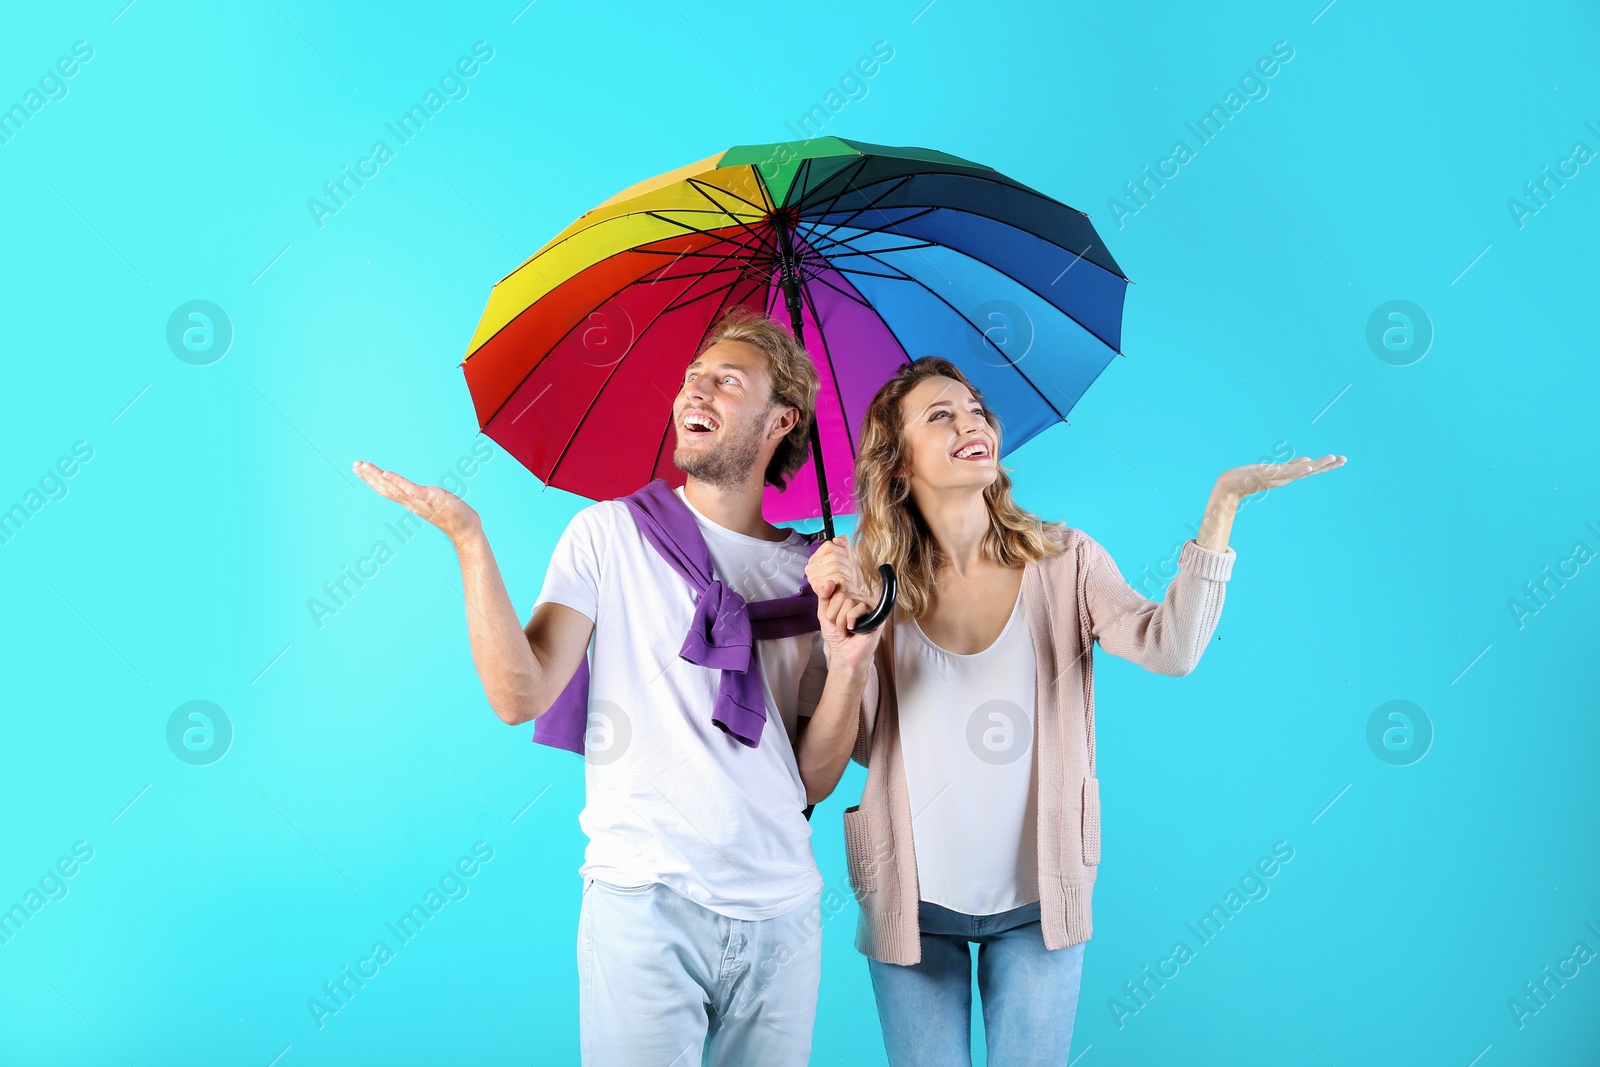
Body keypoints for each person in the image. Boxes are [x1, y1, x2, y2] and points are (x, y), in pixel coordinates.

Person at [353, 306, 878, 1066]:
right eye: (693, 378)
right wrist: (470, 542)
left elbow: (813, 779)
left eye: (726, 382)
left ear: (781, 421)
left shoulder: (815, 577)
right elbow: (519, 692)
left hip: (783, 915)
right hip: (644, 901)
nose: (695, 393)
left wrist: (849, 659)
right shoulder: (608, 535)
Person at [800, 356, 1345, 1065]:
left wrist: (1222, 507)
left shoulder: (1066, 561)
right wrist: (846, 647)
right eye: (941, 416)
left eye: (975, 409)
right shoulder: (868, 589)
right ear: (897, 466)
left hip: (1038, 902)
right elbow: (841, 753)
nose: (972, 423)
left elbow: (1170, 646)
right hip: (912, 903)